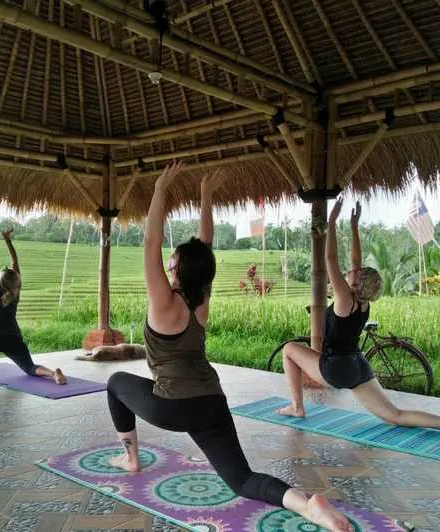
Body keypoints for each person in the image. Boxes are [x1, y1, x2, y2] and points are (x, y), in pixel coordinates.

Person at [105, 162, 352, 532]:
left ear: (174, 268)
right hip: (211, 401)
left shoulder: (164, 301)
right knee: (241, 479)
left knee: (115, 383)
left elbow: (150, 241)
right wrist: (205, 196)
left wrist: (160, 189)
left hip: (171, 405)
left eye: (172, 261)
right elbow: (205, 246)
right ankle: (309, 507)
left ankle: (131, 459)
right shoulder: (200, 297)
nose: (167, 260)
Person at [277, 198, 440, 444]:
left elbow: (331, 260)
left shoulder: (344, 298)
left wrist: (333, 222)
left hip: (336, 368)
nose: (353, 269)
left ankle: (296, 406)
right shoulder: (363, 301)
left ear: (356, 281)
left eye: (356, 272)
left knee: (289, 349)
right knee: (394, 415)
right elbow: (355, 261)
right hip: (358, 365)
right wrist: (355, 226)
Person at [0, 229, 66, 385]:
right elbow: (15, 262)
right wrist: (7, 240)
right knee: (30, 367)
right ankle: (53, 373)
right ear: (15, 280)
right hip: (13, 339)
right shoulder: (16, 291)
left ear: (0, 281)